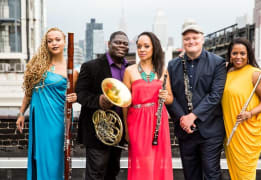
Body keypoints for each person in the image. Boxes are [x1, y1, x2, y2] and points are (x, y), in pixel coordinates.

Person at [166, 20, 227, 179]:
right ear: (183, 41)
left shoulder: (217, 63)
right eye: (187, 39)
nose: (191, 41)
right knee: (190, 175)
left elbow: (215, 95)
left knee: (211, 174)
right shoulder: (172, 65)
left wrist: (193, 116)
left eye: (195, 37)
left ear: (202, 39)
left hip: (210, 130)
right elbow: (171, 97)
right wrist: (183, 119)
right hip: (185, 130)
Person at [16, 27, 78, 179]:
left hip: (56, 120)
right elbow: (29, 92)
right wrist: (21, 113)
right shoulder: (37, 65)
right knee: (38, 156)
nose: (54, 43)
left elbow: (74, 96)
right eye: (50, 41)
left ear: (64, 42)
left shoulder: (71, 71)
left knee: (54, 159)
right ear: (46, 44)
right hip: (38, 119)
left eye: (58, 40)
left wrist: (75, 98)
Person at [75, 31, 129, 180]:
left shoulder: (130, 69)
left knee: (112, 173)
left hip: (118, 132)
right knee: (95, 174)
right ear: (108, 44)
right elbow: (80, 94)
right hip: (98, 131)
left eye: (125, 43)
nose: (122, 45)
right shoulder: (90, 66)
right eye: (118, 42)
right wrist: (98, 100)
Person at [222, 38, 261, 179]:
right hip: (231, 131)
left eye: (242, 53)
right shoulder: (227, 71)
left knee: (245, 173)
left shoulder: (255, 73)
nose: (238, 57)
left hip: (246, 130)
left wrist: (250, 113)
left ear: (248, 55)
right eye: (234, 53)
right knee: (235, 172)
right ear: (230, 55)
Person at [123, 31, 173, 180]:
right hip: (137, 121)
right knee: (142, 162)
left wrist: (165, 96)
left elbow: (170, 99)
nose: (142, 50)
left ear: (154, 48)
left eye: (146, 46)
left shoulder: (163, 71)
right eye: (139, 46)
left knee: (158, 162)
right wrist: (126, 128)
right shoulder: (129, 71)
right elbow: (125, 103)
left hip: (158, 121)